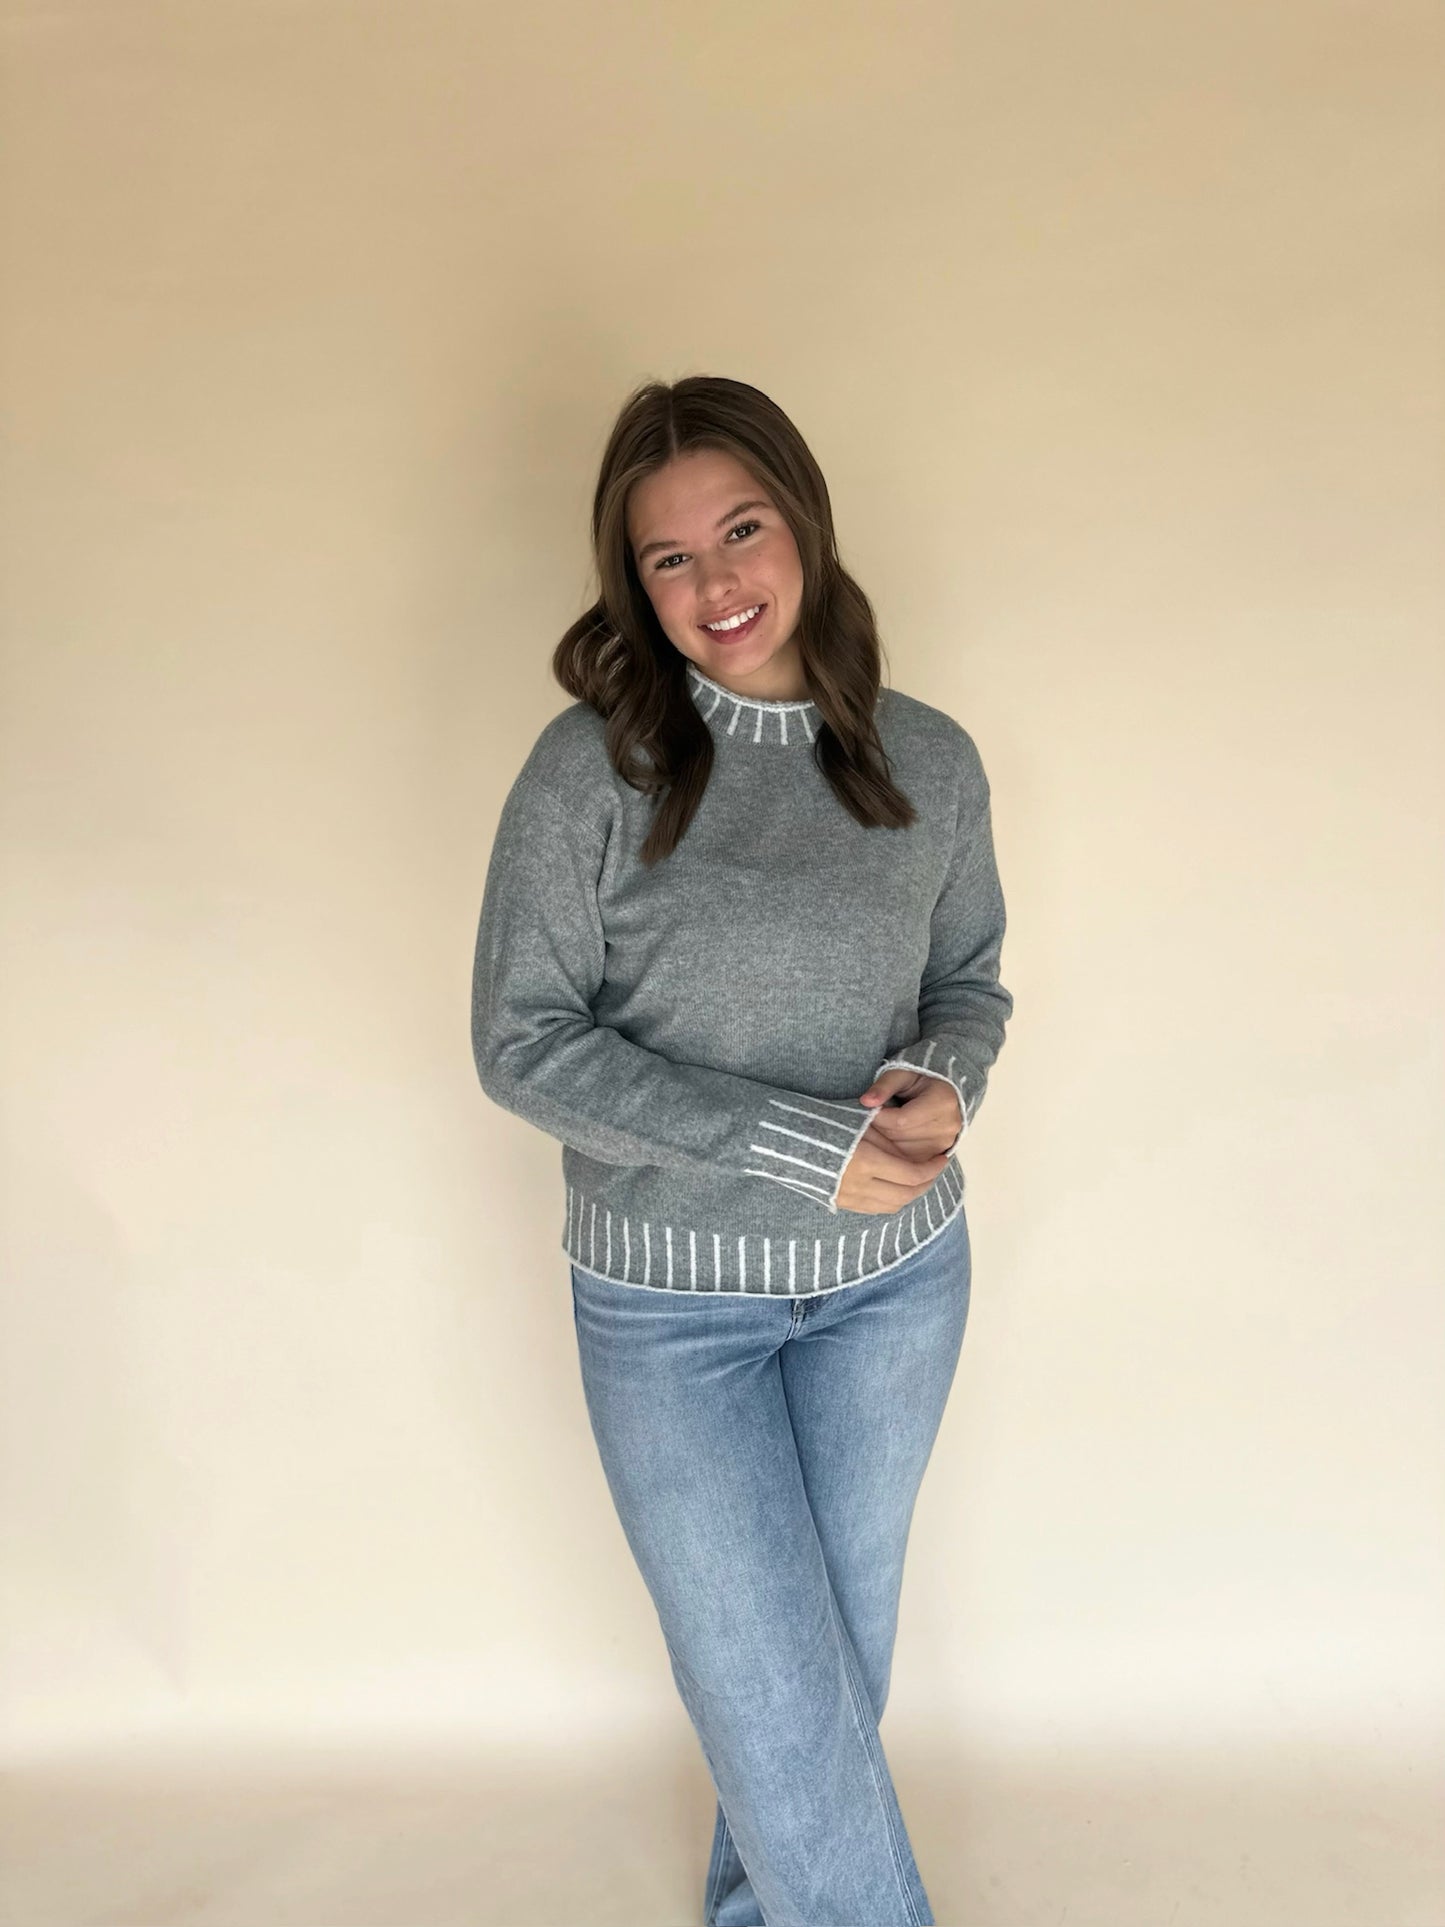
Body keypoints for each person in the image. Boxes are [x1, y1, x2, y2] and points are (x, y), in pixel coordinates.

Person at [470, 373, 1013, 1927]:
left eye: (742, 528)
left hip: (895, 1290)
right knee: (779, 1698)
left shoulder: (930, 760)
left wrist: (938, 1081)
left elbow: (967, 980)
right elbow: (522, 1043)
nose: (715, 583)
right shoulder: (590, 772)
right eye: (666, 557)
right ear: (630, 585)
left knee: (817, 1696)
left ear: (803, 524)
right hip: (670, 1313)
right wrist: (795, 1148)